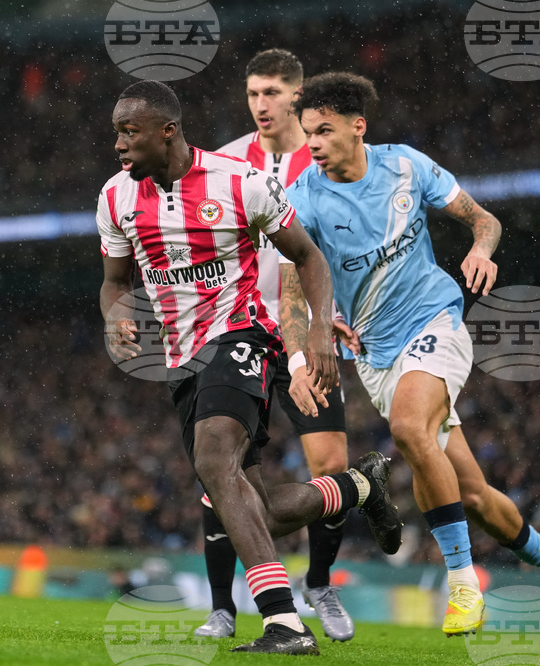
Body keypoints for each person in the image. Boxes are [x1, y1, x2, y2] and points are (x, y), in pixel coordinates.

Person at [283, 71, 540, 636]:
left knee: (409, 429)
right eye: (307, 133)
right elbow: (291, 286)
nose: (313, 144)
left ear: (358, 127)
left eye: (324, 131)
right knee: (473, 495)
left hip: (435, 318)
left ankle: (462, 584)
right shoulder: (304, 196)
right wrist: (309, 341)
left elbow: (484, 219)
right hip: (376, 354)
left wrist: (481, 249)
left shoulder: (406, 165)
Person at [97, 79, 402, 655]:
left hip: (240, 334)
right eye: (117, 132)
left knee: (215, 457)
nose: (119, 144)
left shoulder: (239, 181)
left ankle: (283, 622)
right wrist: (116, 316)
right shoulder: (115, 197)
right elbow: (114, 283)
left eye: (130, 132)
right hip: (181, 360)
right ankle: (358, 486)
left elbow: (308, 256)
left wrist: (317, 327)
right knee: (250, 506)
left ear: (168, 132)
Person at [193, 49, 354, 643]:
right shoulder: (226, 161)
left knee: (330, 464)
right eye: (252, 93)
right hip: (239, 329)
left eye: (272, 93)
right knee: (221, 467)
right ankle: (222, 608)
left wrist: (331, 315)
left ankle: (320, 583)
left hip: (305, 330)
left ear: (297, 95)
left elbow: (333, 245)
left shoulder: (323, 157)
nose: (260, 105)